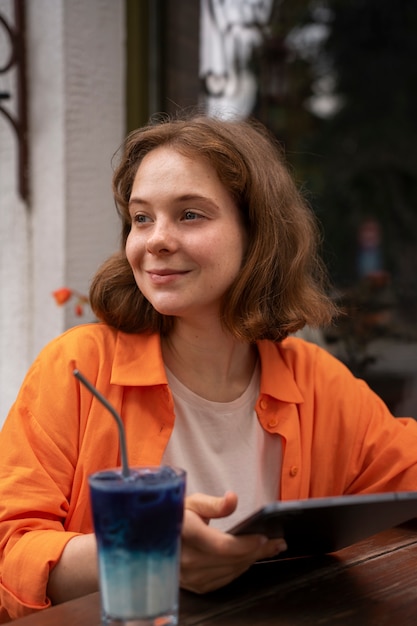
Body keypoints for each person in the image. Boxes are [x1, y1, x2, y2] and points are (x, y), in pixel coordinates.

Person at [1, 113, 417, 623]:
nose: (155, 240)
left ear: (257, 232)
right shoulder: (76, 367)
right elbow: (10, 551)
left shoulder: (314, 379)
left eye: (190, 215)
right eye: (142, 217)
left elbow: (405, 471)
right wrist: (146, 551)